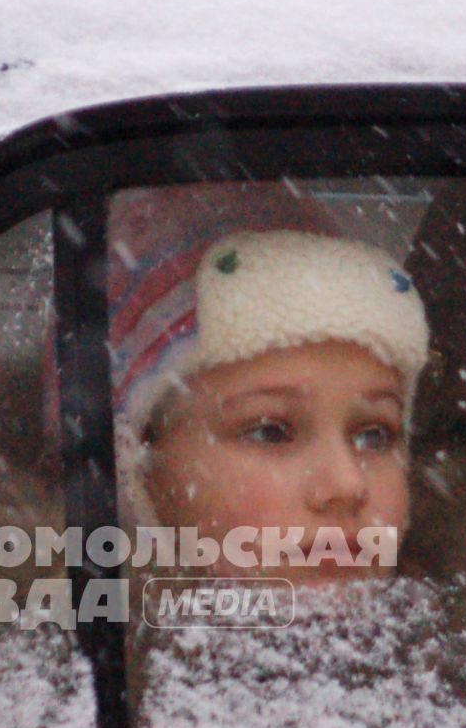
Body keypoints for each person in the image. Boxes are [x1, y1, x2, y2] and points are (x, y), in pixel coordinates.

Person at [111, 227, 431, 584]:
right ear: (142, 468)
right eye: (271, 432)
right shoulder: (66, 627)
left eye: (375, 436)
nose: (346, 485)